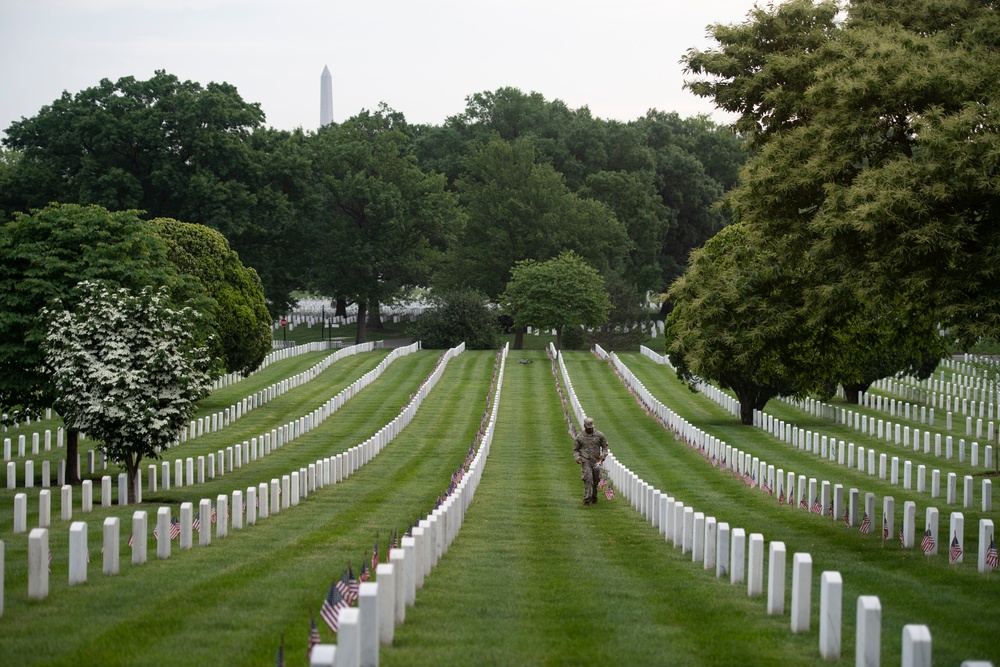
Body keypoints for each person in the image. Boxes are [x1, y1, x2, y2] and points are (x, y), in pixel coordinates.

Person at [573, 416, 608, 505]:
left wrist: (603, 455)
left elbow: (605, 446)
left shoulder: (599, 435)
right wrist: (577, 457)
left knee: (596, 479)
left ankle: (594, 496)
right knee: (588, 478)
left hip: (596, 461)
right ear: (584, 426)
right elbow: (576, 449)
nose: (589, 429)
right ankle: (586, 499)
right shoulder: (580, 437)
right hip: (586, 460)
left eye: (591, 427)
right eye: (588, 428)